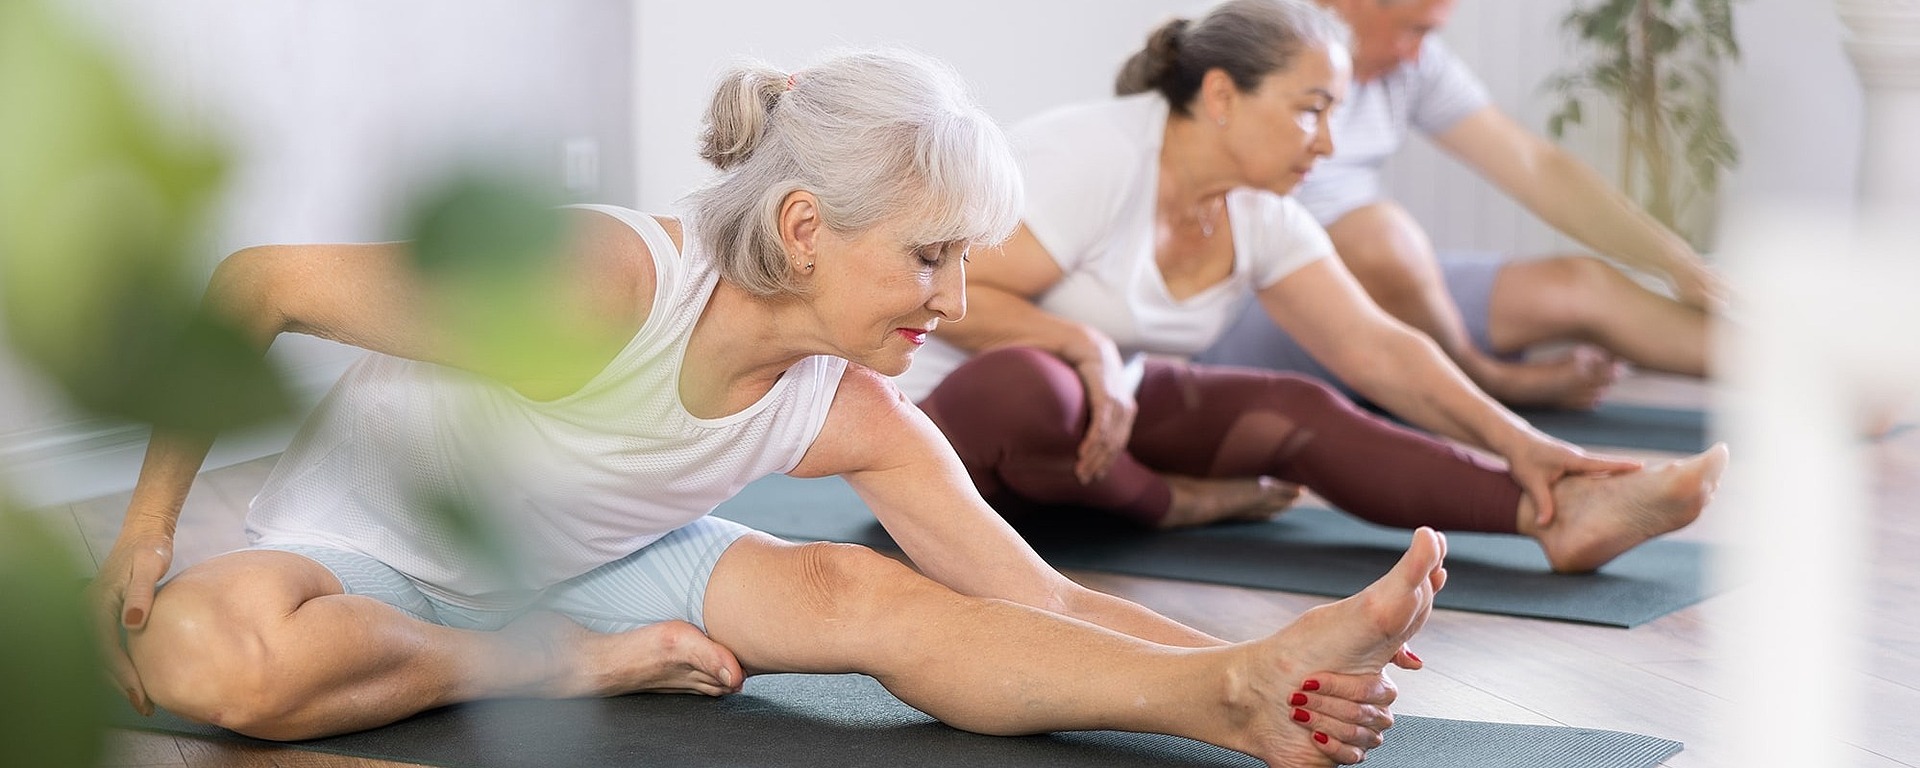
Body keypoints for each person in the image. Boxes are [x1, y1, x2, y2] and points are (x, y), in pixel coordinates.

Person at [85, 49, 1446, 767]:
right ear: (803, 228)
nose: (957, 295)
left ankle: (1221, 707)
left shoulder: (854, 409)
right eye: (930, 257)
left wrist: (1250, 669)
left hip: (603, 561)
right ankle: (560, 665)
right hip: (371, 559)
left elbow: (1036, 596)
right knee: (212, 658)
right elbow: (257, 286)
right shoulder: (601, 286)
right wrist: (146, 531)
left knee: (873, 600)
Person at [894, 0, 1727, 567]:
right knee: (1032, 384)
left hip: (1096, 437)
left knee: (1300, 408)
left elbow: (1379, 349)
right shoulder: (1096, 155)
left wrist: (1520, 442)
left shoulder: (1263, 212)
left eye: (1335, 114)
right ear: (1221, 95)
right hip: (956, 439)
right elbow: (948, 301)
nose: (1328, 143)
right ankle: (1172, 502)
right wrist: (1081, 344)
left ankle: (1561, 516)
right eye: (1310, 109)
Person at [1196, 0, 1717, 410]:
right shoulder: (1254, 48)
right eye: (1414, 29)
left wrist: (1677, 262)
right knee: (1379, 235)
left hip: (1381, 280)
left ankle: (1770, 354)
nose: (1418, 52)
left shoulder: (1410, 66)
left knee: (1582, 284)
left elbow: (1536, 166)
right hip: (1251, 305)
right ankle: (1485, 381)